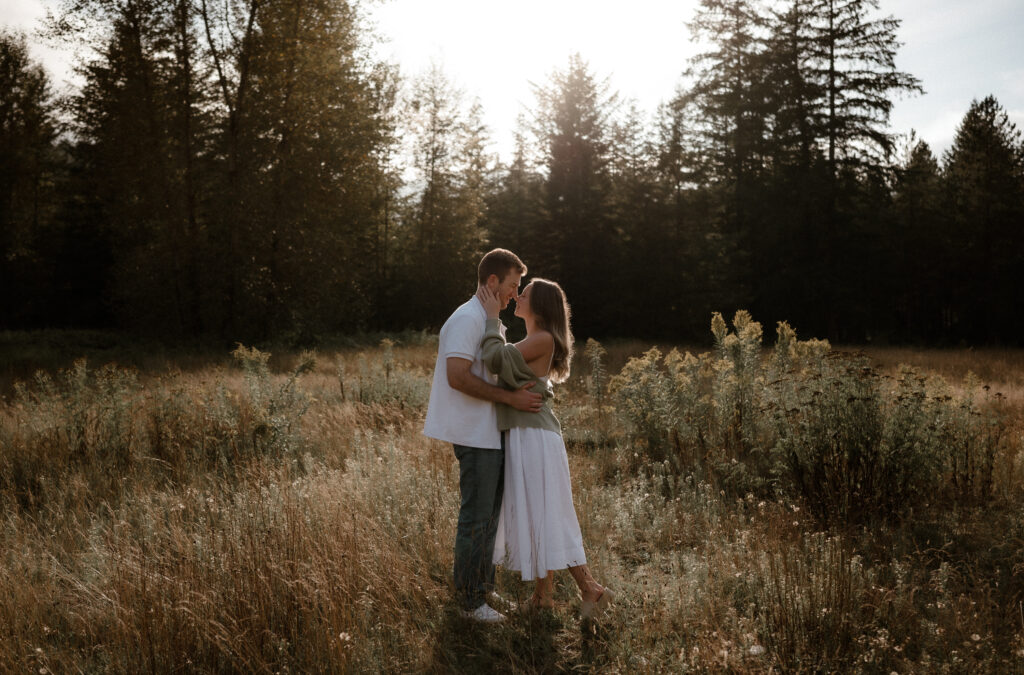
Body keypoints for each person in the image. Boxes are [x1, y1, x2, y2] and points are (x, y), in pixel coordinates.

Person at [478, 278, 613, 618]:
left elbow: (494, 358)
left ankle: (586, 590)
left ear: (538, 306)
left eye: (523, 294)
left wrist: (493, 319)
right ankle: (546, 597)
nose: (516, 297)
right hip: (530, 435)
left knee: (547, 515)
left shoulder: (541, 339)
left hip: (534, 437)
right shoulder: (535, 339)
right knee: (543, 513)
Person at [423, 248, 543, 624]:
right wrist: (510, 398)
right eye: (512, 285)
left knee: (490, 518)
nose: (514, 293)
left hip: (491, 433)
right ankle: (470, 603)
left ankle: (483, 591)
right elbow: (456, 377)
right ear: (492, 281)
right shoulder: (466, 318)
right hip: (474, 435)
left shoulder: (488, 319)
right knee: (476, 518)